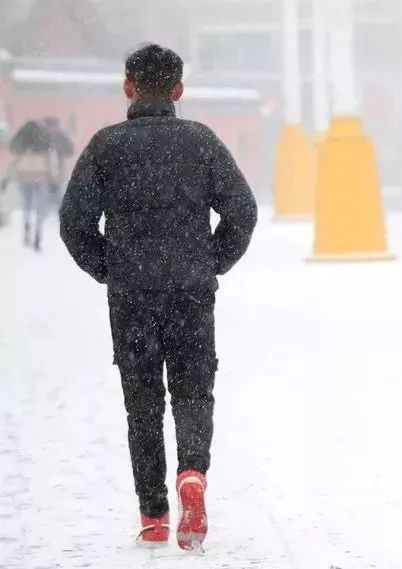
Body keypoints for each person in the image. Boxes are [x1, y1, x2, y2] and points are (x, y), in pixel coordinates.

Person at [59, 44, 257, 550]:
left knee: (142, 403)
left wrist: (109, 268)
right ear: (179, 91)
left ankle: (153, 513)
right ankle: (192, 472)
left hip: (131, 295)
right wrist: (212, 261)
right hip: (191, 291)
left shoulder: (105, 147)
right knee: (193, 391)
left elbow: (74, 223)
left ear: (128, 87)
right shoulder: (201, 142)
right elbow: (242, 210)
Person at [1, 120, 60, 251]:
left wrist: (6, 178)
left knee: (27, 204)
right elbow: (51, 163)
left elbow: (14, 162)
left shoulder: (22, 143)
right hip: (42, 177)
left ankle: (27, 223)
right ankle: (38, 233)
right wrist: (54, 180)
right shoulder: (45, 141)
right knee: (41, 207)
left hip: (25, 176)